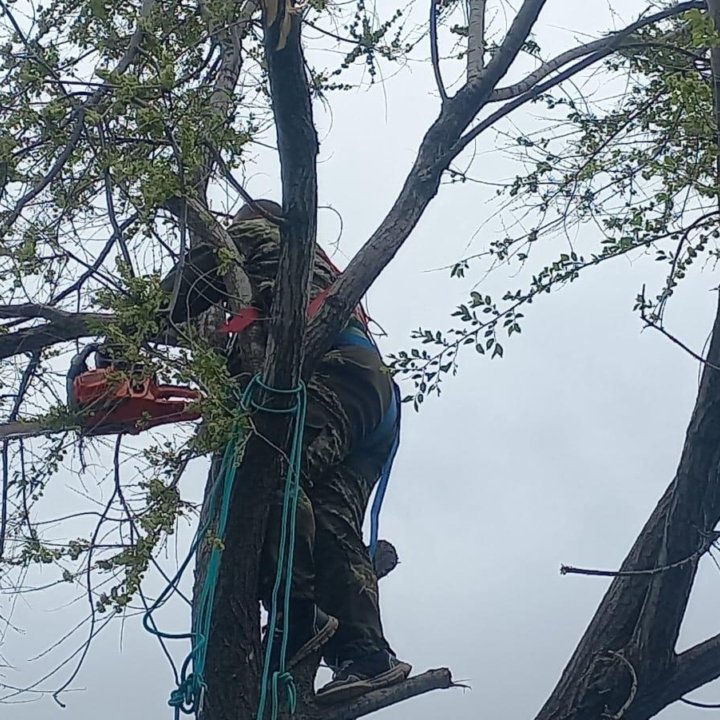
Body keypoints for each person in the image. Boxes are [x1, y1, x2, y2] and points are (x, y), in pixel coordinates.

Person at [158, 199, 411, 703]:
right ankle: (367, 656)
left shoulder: (251, 237)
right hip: (371, 393)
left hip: (328, 371)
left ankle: (296, 619)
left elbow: (181, 293)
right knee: (331, 518)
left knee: (269, 473)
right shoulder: (310, 267)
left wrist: (125, 338)